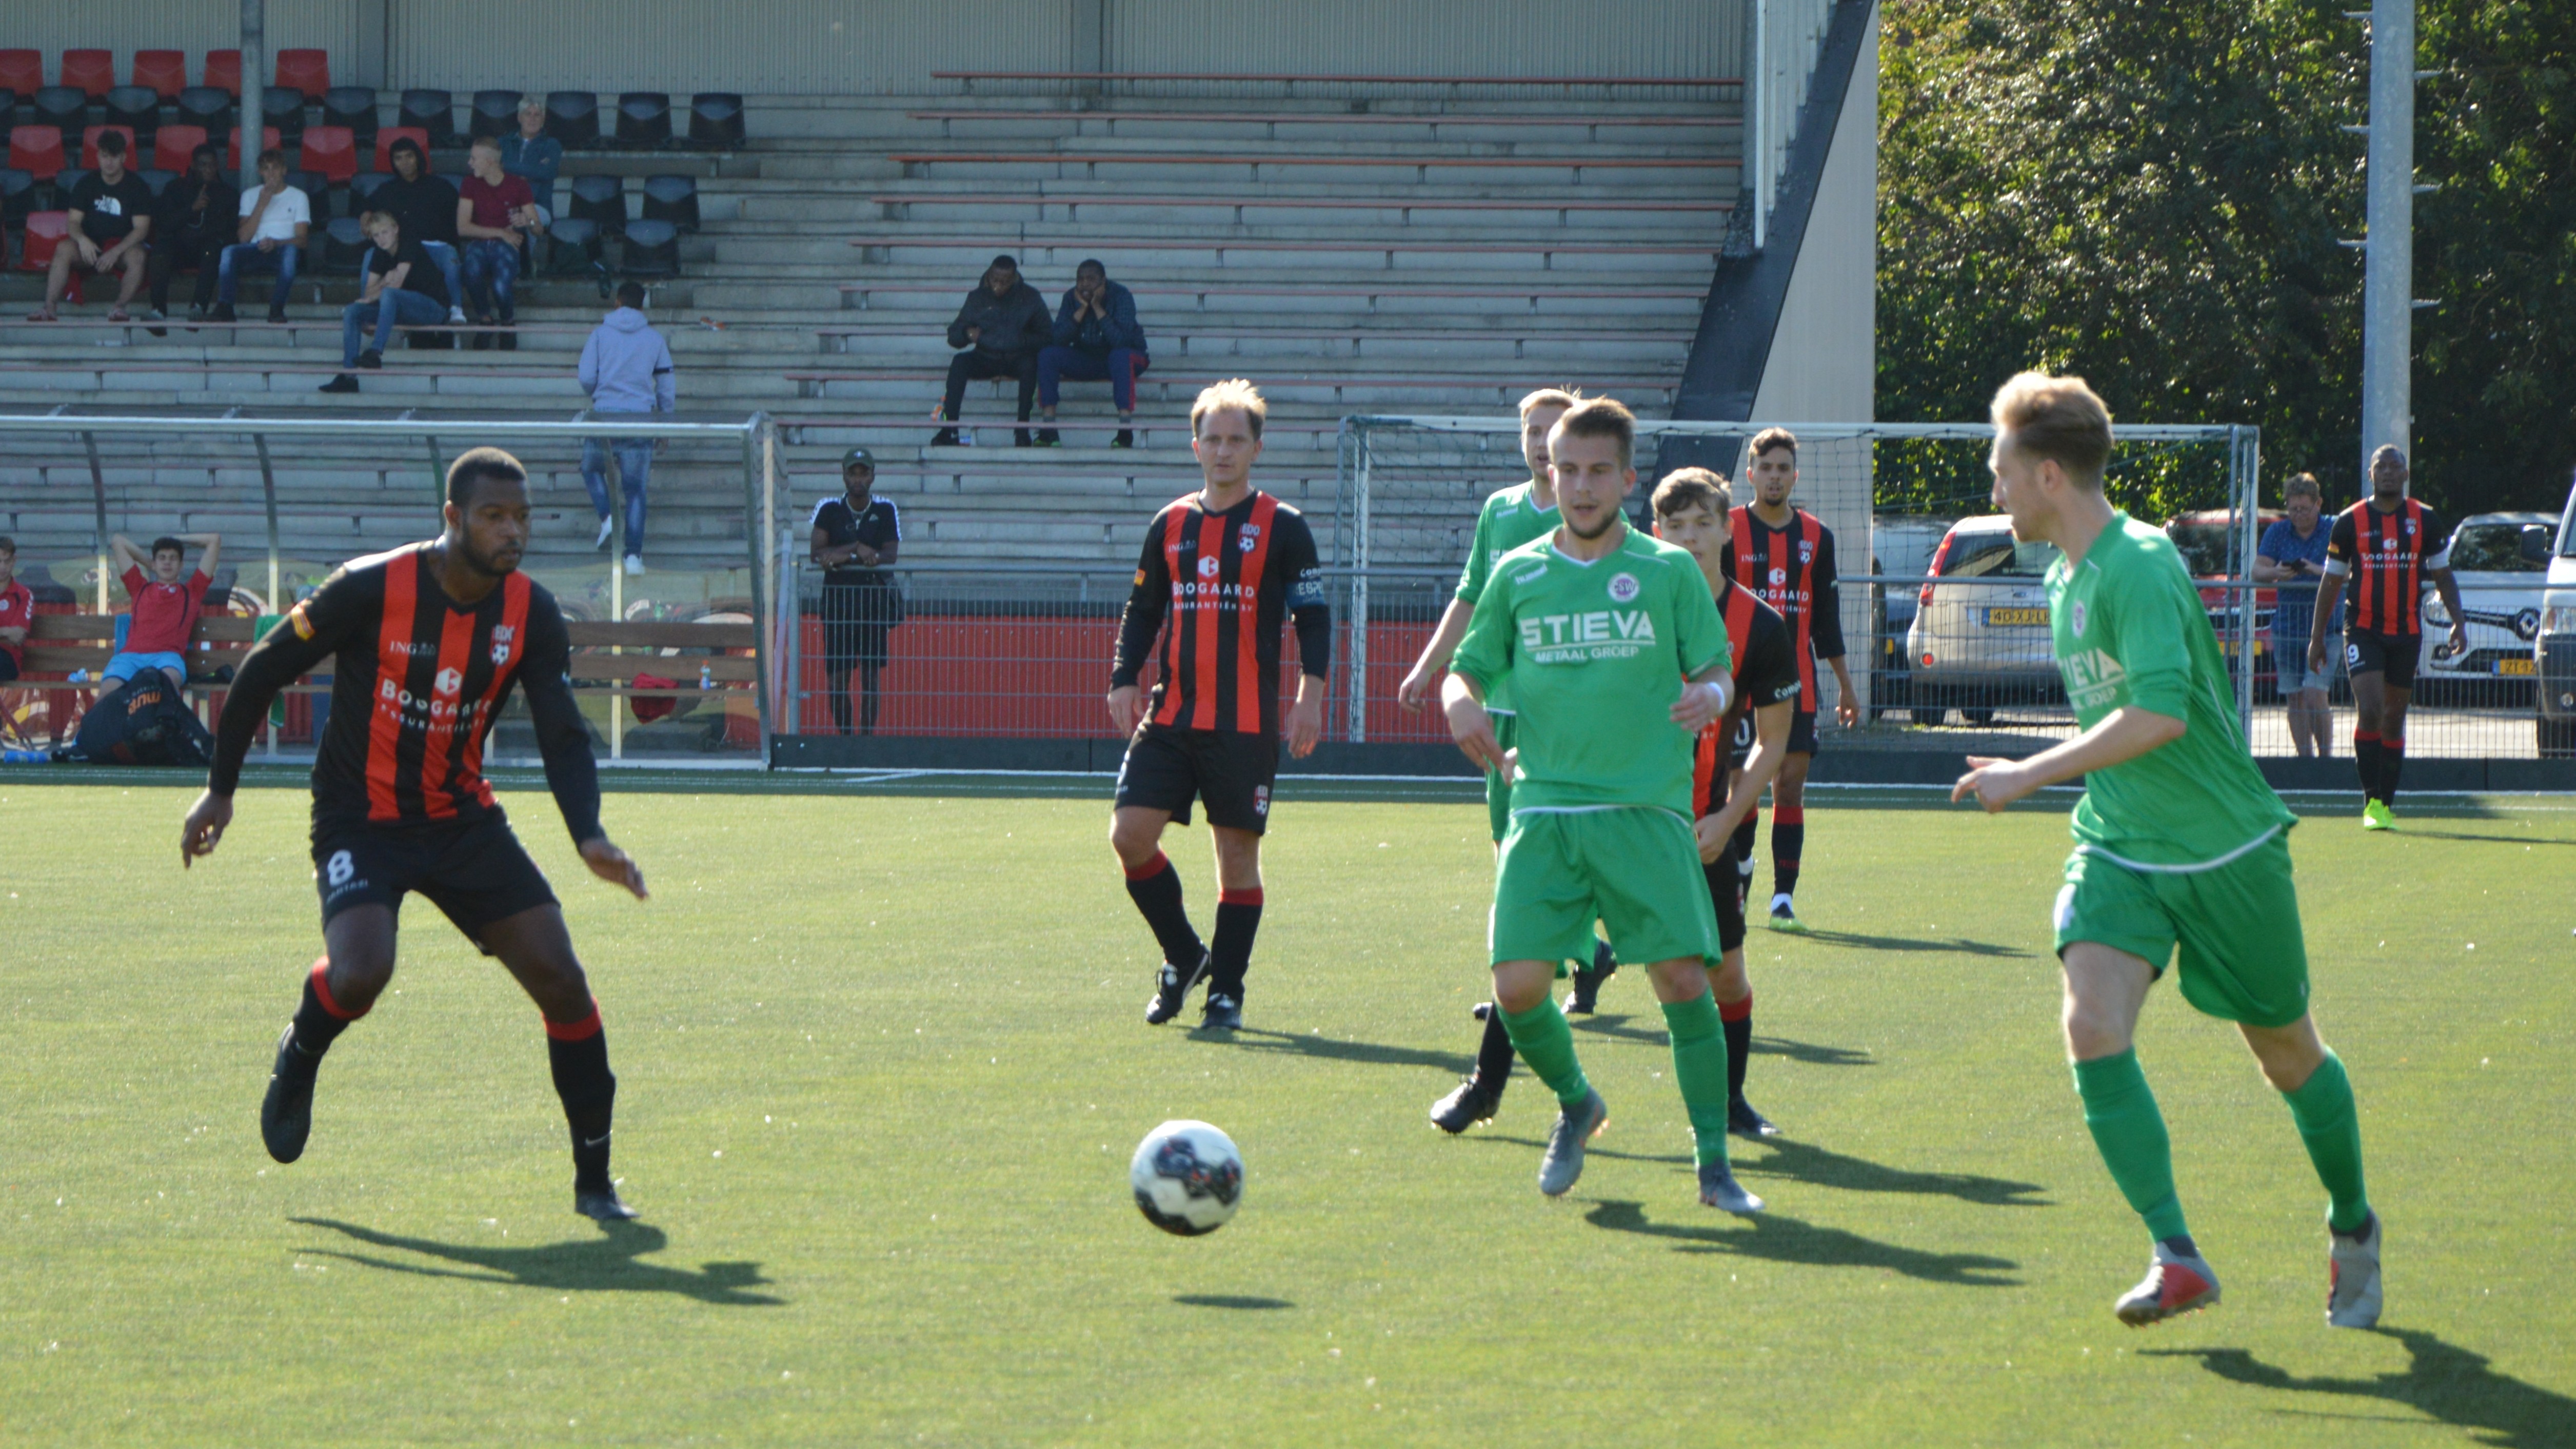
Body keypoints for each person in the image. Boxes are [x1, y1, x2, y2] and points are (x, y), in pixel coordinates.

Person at [1952, 372, 2380, 1330]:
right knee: (2091, 1028)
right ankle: (2174, 1253)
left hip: (2226, 851)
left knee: (2285, 1055)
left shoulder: (2138, 564)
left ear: (2049, 474)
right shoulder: (2064, 572)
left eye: (2001, 472)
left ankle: (2352, 1225)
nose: (1995, 490)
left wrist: (2027, 773)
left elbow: (2159, 716)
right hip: (2119, 848)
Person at [180, 448, 650, 1222]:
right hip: (360, 817)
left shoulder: (529, 611)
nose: (512, 532)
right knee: (363, 972)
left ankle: (595, 1186)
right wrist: (220, 791)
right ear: (452, 518)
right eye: (494, 516)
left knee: (563, 981)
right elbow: (262, 671)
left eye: (522, 518)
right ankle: (302, 1049)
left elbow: (563, 734)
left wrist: (588, 836)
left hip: (461, 819)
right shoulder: (372, 586)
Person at [1440, 398, 1755, 1211]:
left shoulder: (1667, 571)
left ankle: (1713, 1164)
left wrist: (1711, 699)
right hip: (1542, 808)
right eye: (1563, 468)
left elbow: (1717, 670)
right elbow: (1465, 669)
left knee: (1683, 980)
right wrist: (1458, 700)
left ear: (1625, 477)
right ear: (1547, 469)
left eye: (1594, 471)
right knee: (1515, 988)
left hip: (1643, 809)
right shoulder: (1519, 573)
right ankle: (1578, 1102)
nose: (1577, 486)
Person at [1108, 380, 1327, 1032]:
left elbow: (1312, 619)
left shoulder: (1284, 527)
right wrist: (1124, 676)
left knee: (1236, 858)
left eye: (1237, 439)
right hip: (1170, 714)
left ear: (1257, 447)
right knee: (1128, 835)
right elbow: (1144, 609)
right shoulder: (1170, 524)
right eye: (1213, 438)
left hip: (1246, 722)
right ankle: (1186, 955)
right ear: (1194, 443)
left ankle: (1225, 992)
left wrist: (1309, 696)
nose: (1224, 449)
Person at [1726, 427, 1856, 933]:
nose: (1775, 476)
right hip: (1738, 682)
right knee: (1741, 786)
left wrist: (1845, 684)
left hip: (1797, 680)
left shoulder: (1817, 537)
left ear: (1794, 474)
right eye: (1767, 467)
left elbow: (1826, 617)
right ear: (1751, 473)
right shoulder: (1728, 528)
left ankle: (1783, 897)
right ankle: (1741, 870)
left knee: (1789, 785)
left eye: (1784, 468)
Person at [2304, 446, 2467, 829]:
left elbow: (2443, 575)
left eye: (2396, 466)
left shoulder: (2425, 519)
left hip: (2407, 631)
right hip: (2363, 628)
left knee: (2395, 717)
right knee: (2373, 709)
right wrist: (2316, 637)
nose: (2389, 472)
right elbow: (2331, 581)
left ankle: (2387, 803)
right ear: (2371, 474)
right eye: (2382, 466)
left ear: (2406, 475)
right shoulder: (2350, 522)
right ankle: (2370, 802)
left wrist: (2459, 623)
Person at [578, 283, 677, 573]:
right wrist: (665, 422)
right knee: (635, 491)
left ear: (617, 302)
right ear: (642, 306)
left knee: (590, 467)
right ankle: (633, 557)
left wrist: (601, 391)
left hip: (604, 417)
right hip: (640, 421)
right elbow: (667, 385)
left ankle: (608, 518)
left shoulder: (599, 335)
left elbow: (585, 377)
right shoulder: (654, 339)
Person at [809, 448, 903, 735]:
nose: (858, 479)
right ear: (844, 475)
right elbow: (816, 554)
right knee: (837, 679)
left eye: (864, 473)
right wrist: (855, 549)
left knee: (871, 678)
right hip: (838, 605)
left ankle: (866, 741)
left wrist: (845, 556)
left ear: (873, 476)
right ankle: (846, 738)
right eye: (853, 473)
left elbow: (890, 556)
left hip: (873, 603)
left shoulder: (886, 509)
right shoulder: (828, 509)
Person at [318, 212, 453, 394]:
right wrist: (383, 282)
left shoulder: (409, 243)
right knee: (353, 311)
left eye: (385, 232)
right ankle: (349, 377)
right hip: (401, 308)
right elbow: (368, 293)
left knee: (390, 293)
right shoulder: (379, 253)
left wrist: (382, 288)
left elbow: (395, 286)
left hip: (434, 308)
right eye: (376, 235)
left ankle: (375, 352)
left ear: (396, 230)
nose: (381, 239)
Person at [29, 128, 153, 323]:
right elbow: (73, 222)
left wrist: (116, 251)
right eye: (105, 156)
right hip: (91, 246)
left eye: (114, 156)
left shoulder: (137, 187)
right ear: (98, 156)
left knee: (138, 255)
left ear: (124, 157)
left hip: (122, 248)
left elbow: (141, 229)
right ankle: (50, 308)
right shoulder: (86, 184)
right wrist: (82, 240)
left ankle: (119, 308)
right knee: (64, 248)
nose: (109, 162)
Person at [2255, 472, 2336, 759]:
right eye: (2293, 509)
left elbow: (2351, 569)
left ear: (2318, 504)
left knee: (2315, 693)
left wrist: (2316, 570)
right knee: (2295, 697)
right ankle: (2305, 760)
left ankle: (2325, 760)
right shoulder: (2278, 532)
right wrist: (2276, 573)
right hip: (2288, 626)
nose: (2298, 515)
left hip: (2328, 627)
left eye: (2304, 508)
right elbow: (2257, 570)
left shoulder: (2334, 528)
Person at [934, 254, 1051, 447]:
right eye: (995, 280)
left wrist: (1021, 340)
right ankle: (949, 429)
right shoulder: (977, 298)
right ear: (988, 276)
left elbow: (1048, 336)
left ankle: (1022, 430)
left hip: (1018, 357)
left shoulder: (1030, 297)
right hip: (985, 356)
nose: (999, 285)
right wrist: (967, 334)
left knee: (1030, 366)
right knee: (959, 363)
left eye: (1005, 282)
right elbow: (953, 336)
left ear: (1014, 280)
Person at [1036, 260, 1148, 448]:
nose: (1085, 284)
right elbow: (1057, 339)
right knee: (1048, 355)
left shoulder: (1121, 296)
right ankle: (1048, 429)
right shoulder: (1071, 298)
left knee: (1120, 357)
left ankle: (1125, 432)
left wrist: (1097, 307)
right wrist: (1082, 309)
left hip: (1126, 358)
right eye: (1080, 279)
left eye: (1091, 279)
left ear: (1103, 281)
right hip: (1088, 358)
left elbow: (1121, 341)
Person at [106, 531, 221, 692]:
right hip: (130, 658)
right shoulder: (139, 588)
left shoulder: (192, 592)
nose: (167, 562)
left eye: (173, 558)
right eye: (162, 558)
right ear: (155, 563)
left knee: (166, 686)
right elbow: (118, 541)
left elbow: (214, 540)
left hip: (167, 659)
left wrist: (178, 538)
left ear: (181, 566)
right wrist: (150, 564)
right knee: (106, 696)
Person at [457, 136, 543, 345]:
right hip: (483, 242)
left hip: (506, 245)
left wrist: (528, 221)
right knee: (471, 271)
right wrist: (501, 232)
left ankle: (507, 322)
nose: (470, 163)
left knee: (501, 285)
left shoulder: (518, 186)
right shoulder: (470, 183)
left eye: (474, 158)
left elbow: (539, 229)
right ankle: (485, 320)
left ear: (490, 162)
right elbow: (462, 228)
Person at [375, 136, 468, 324]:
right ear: (393, 162)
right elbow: (368, 210)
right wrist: (365, 216)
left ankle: (456, 309)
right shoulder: (387, 190)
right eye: (399, 158)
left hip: (436, 247)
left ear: (418, 157)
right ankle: (370, 309)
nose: (405, 162)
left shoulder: (441, 186)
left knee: (451, 258)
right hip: (402, 249)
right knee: (372, 255)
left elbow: (460, 217)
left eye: (409, 156)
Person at [213, 149, 308, 324]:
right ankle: (225, 306)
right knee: (228, 252)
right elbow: (243, 238)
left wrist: (276, 243)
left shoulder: (298, 197)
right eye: (266, 169)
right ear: (260, 172)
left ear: (284, 170)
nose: (271, 174)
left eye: (275, 168)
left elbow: (302, 240)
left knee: (291, 253)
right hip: (255, 249)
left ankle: (277, 308)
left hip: (282, 250)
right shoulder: (250, 195)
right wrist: (262, 204)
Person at [144, 142, 236, 323]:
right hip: (179, 248)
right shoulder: (175, 188)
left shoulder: (228, 194)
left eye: (212, 165)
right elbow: (164, 224)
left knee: (213, 250)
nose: (208, 169)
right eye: (203, 165)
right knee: (161, 251)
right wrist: (192, 209)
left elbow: (231, 232)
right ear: (193, 165)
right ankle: (158, 310)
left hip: (207, 251)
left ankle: (198, 307)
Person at [499, 94, 564, 217]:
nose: (533, 119)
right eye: (528, 114)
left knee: (520, 221)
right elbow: (491, 169)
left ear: (543, 120)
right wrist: (529, 174)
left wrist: (505, 166)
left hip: (538, 205)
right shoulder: (503, 143)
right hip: (506, 202)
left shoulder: (552, 145)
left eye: (537, 115)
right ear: (519, 118)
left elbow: (546, 172)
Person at [0, 537, 31, 686]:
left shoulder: (23, 595)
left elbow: (18, 636)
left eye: (6, 561)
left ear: (14, 561)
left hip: (8, 659)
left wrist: (10, 633)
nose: (2, 567)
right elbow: (11, 633)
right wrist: (5, 631)